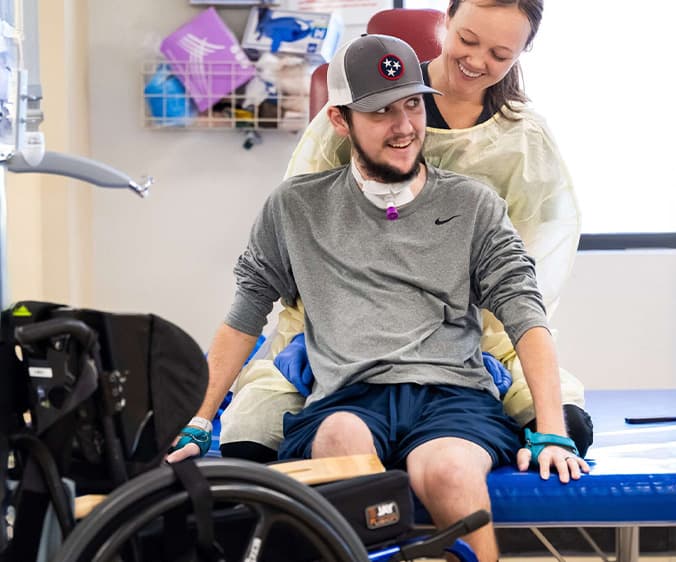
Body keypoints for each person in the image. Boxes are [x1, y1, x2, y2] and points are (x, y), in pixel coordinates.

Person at [167, 34, 588, 561]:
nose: (405, 126)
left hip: (451, 395)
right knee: (341, 439)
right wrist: (200, 417)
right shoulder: (296, 208)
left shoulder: (474, 204)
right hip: (346, 394)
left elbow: (527, 314)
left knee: (449, 470)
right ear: (341, 121)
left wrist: (552, 431)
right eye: (381, 111)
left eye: (412, 104)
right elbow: (245, 313)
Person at [219, 0, 594, 464]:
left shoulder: (523, 143)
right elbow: (301, 226)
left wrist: (477, 340)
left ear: (524, 52)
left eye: (500, 54)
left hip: (474, 333)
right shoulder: (365, 98)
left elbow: (527, 274)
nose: (477, 62)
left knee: (567, 424)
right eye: (468, 40)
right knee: (247, 440)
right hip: (341, 326)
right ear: (445, 22)